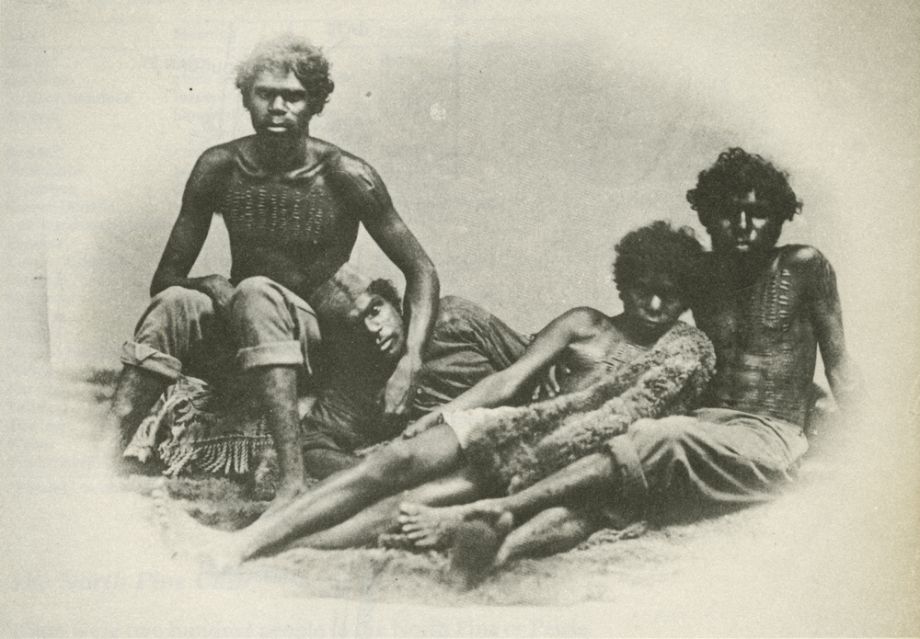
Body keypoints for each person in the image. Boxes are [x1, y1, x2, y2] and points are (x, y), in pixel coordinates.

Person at [393, 148, 865, 587]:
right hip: (701, 426)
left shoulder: (803, 265)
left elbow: (839, 364)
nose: (743, 225)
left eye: (759, 213)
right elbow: (641, 315)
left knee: (654, 438)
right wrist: (582, 369)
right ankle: (495, 554)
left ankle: (495, 507)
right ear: (706, 217)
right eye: (728, 212)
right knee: (604, 495)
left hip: (765, 435)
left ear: (780, 217)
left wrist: (864, 445)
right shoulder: (700, 275)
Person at [154, 221, 716, 564]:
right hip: (507, 422)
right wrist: (443, 416)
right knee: (396, 460)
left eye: (671, 296)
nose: (657, 306)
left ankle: (275, 553)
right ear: (626, 282)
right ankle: (246, 540)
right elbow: (509, 379)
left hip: (550, 454)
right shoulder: (586, 322)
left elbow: (640, 428)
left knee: (403, 507)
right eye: (647, 290)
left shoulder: (678, 355)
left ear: (687, 297)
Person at [105, 35, 439, 507]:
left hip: (316, 347)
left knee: (256, 291)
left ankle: (290, 479)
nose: (278, 107)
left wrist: (411, 357)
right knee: (177, 303)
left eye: (294, 96)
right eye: (266, 94)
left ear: (315, 103)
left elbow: (420, 268)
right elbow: (165, 279)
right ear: (247, 97)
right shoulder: (218, 167)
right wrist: (209, 284)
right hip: (241, 340)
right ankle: (103, 455)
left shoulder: (345, 173)